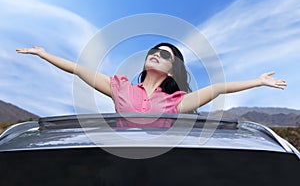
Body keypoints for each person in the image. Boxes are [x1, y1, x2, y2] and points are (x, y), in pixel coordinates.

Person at [16, 43, 287, 127]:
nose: (156, 54)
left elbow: (217, 89)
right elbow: (77, 70)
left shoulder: (176, 101)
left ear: (173, 68)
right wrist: (44, 54)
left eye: (165, 55)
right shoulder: (121, 87)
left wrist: (258, 81)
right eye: (153, 51)